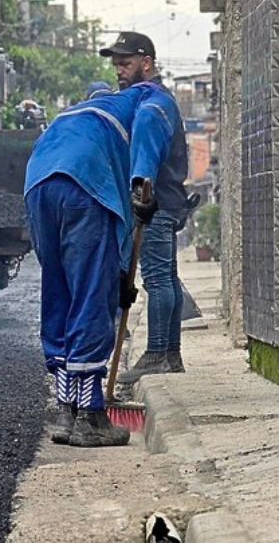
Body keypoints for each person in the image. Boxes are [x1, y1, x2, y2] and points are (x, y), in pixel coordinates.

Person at [24, 77, 179, 447]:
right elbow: (152, 123)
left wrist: (120, 278)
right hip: (83, 183)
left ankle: (66, 411)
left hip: (38, 183)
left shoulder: (78, 116)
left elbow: (118, 245)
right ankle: (91, 414)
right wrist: (145, 179)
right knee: (91, 296)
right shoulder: (153, 97)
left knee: (59, 289)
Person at [100, 33, 190, 385]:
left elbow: (146, 158)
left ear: (146, 63)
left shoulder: (153, 105)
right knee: (167, 278)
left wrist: (141, 196)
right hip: (168, 200)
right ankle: (171, 354)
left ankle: (156, 354)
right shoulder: (156, 100)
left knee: (156, 279)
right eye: (116, 65)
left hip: (156, 203)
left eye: (125, 64)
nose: (119, 71)